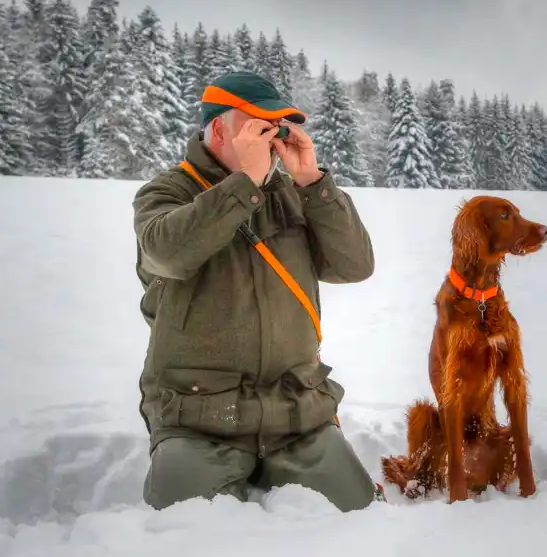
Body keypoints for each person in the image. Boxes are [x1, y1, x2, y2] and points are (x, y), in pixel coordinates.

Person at [132, 70, 382, 512]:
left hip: (296, 415)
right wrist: (242, 185)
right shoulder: (167, 192)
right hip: (198, 418)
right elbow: (167, 254)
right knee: (184, 536)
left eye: (277, 129)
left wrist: (311, 182)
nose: (271, 139)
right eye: (258, 127)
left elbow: (355, 266)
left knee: (355, 519)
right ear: (219, 130)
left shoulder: (292, 195)